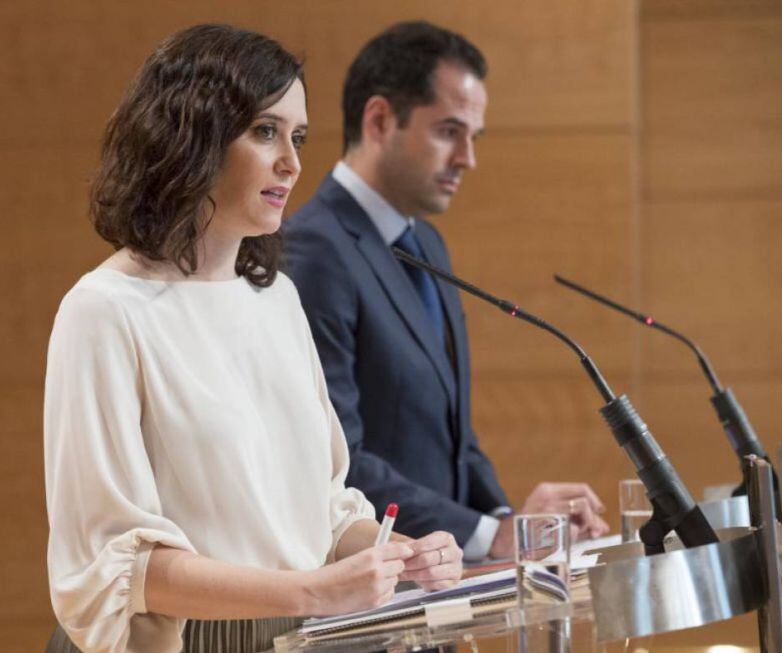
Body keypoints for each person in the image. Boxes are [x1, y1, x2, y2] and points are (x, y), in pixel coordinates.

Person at [43, 24, 463, 653]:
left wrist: (401, 555)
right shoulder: (105, 311)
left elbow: (322, 509)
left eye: (297, 137)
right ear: (192, 136)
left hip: (308, 633)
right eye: (265, 132)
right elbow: (120, 567)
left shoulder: (278, 298)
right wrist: (314, 591)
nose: (292, 162)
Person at [283, 21, 610, 563]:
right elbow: (340, 461)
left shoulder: (425, 244)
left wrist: (507, 523)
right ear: (380, 119)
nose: (467, 158)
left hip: (441, 590)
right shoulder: (313, 250)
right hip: (373, 594)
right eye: (449, 132)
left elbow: (455, 436)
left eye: (472, 137)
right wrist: (483, 535)